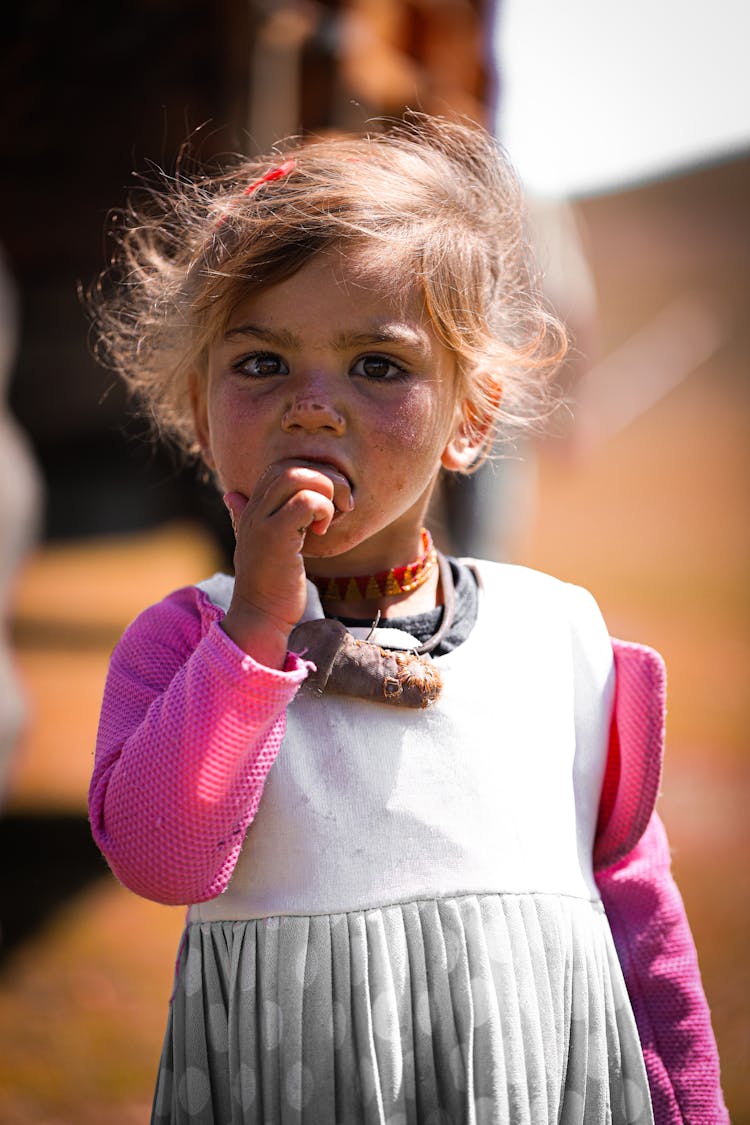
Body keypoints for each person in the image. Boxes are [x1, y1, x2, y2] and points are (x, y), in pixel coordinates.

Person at [87, 115, 727, 1124]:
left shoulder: (556, 638)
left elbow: (640, 914)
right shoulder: (186, 644)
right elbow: (166, 860)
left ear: (470, 417)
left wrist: (687, 1104)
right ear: (202, 411)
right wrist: (258, 625)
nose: (312, 407)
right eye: (260, 364)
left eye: (377, 367)